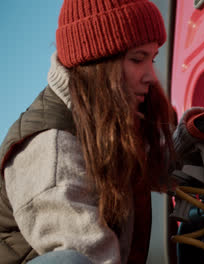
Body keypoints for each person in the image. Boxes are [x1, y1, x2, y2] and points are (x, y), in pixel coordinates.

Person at [0, 0, 176, 263]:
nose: (150, 75)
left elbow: (161, 167)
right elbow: (93, 255)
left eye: (152, 58)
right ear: (98, 64)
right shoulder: (51, 145)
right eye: (137, 59)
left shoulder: (109, 123)